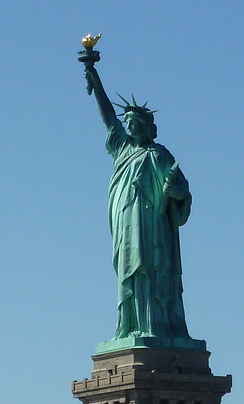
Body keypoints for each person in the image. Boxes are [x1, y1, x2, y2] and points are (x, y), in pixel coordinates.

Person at [82, 61, 192, 341]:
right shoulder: (122, 148)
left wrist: (174, 193)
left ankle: (155, 325)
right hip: (126, 221)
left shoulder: (159, 155)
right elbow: (108, 117)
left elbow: (182, 192)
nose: (128, 126)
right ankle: (130, 325)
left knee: (150, 269)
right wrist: (95, 78)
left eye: (133, 122)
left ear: (145, 126)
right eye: (127, 122)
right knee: (129, 270)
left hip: (152, 224)